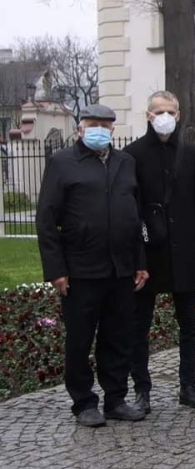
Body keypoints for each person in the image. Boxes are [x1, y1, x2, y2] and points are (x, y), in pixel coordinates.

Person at [36, 104, 149, 427]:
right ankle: (84, 402)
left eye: (104, 124)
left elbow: (134, 215)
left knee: (118, 337)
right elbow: (46, 219)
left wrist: (139, 261)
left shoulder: (125, 162)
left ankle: (116, 398)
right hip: (81, 269)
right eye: (92, 123)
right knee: (80, 339)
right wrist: (56, 269)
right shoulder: (62, 163)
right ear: (80, 128)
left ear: (113, 129)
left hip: (120, 267)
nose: (99, 129)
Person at [124, 91, 195, 412]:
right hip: (149, 251)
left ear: (178, 115)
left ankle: (188, 386)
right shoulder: (132, 154)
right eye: (158, 111)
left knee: (188, 323)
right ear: (148, 115)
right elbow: (130, 209)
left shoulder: (191, 153)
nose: (164, 116)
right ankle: (142, 390)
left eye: (170, 111)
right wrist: (136, 256)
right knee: (140, 325)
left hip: (184, 248)